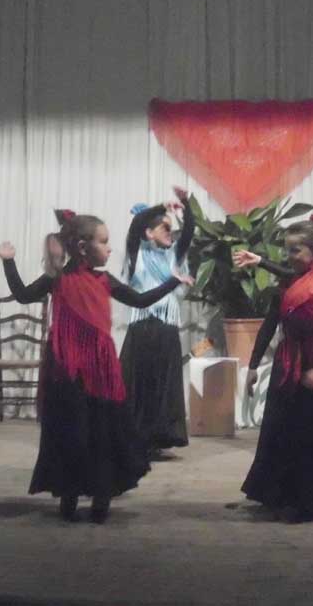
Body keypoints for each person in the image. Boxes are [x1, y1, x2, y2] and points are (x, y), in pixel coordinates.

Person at [0, 209, 190, 523]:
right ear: (83, 247)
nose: (110, 249)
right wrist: (9, 262)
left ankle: (102, 495)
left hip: (100, 370)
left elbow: (140, 301)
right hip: (67, 369)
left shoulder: (105, 280)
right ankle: (69, 493)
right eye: (104, 242)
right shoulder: (57, 279)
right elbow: (22, 295)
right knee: (71, 432)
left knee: (103, 433)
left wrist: (172, 282)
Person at [241, 219, 313, 521]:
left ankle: (309, 498)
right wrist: (253, 366)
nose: (289, 256)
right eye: (288, 250)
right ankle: (280, 494)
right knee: (281, 431)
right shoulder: (284, 286)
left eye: (296, 250)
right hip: (287, 366)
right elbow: (269, 326)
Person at [119, 188, 193, 455]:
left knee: (165, 385)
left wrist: (186, 204)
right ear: (149, 233)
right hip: (141, 328)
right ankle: (134, 438)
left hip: (166, 329)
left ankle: (160, 440)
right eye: (165, 227)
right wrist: (161, 206)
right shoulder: (135, 255)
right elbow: (135, 227)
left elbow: (189, 232)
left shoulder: (174, 256)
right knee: (137, 384)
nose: (171, 233)